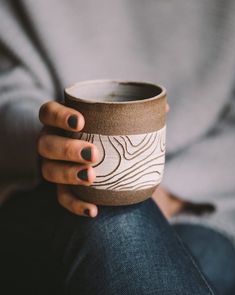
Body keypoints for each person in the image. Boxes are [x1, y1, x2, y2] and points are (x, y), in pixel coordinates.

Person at [0, 0, 235, 294]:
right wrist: (52, 146)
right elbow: (5, 84)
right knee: (115, 219)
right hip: (47, 193)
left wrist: (169, 191)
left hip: (205, 206)